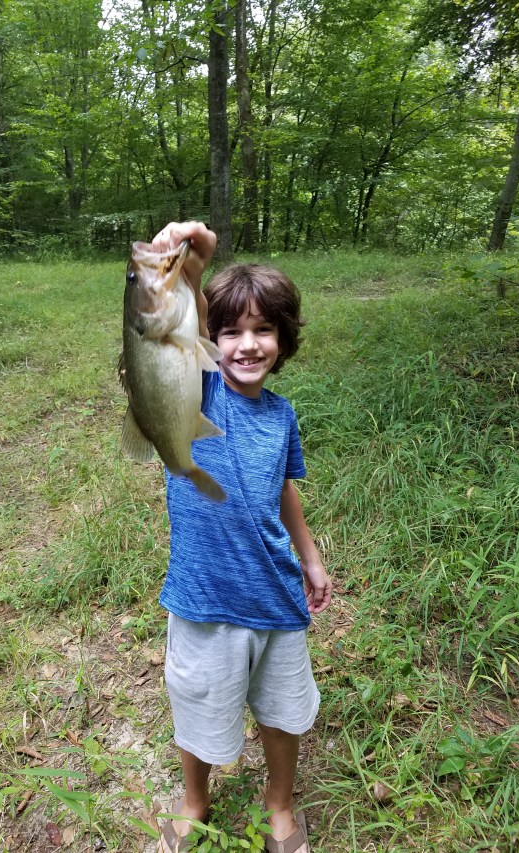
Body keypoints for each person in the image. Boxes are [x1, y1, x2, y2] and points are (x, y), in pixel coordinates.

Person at [151, 222, 332, 853]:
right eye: (231, 332)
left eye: (264, 330)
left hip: (276, 599)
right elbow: (183, 326)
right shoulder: (197, 392)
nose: (246, 345)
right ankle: (194, 800)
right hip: (203, 597)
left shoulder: (282, 415)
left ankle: (280, 805)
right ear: (212, 341)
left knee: (283, 713)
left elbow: (284, 490)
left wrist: (309, 557)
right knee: (198, 707)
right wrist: (188, 270)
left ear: (284, 340)